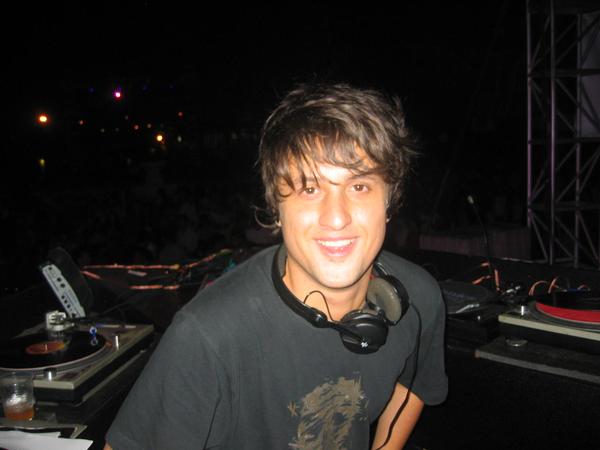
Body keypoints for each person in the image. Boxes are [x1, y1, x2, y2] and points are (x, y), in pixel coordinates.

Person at [104, 83, 447, 450]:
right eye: (310, 189)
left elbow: (415, 386)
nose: (336, 218)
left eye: (359, 186)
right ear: (276, 208)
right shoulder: (206, 337)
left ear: (390, 200)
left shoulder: (419, 298)